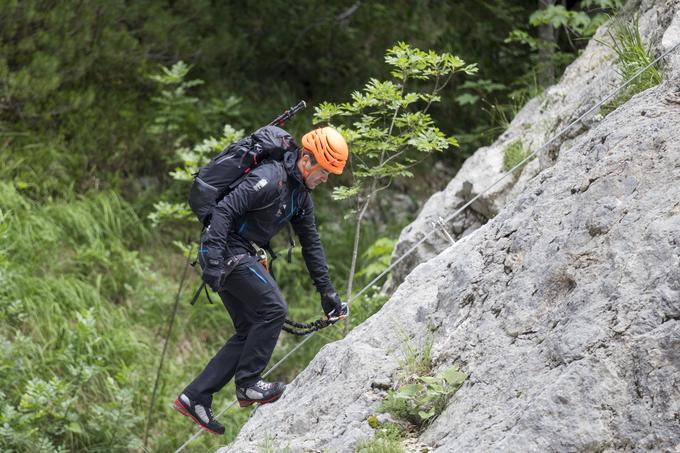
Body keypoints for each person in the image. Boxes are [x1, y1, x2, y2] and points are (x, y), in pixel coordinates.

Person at [173, 126, 349, 435]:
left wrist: (327, 292)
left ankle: (196, 395)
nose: (326, 179)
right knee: (273, 309)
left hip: (237, 252)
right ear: (306, 160)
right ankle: (249, 384)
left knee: (250, 328)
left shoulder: (300, 197)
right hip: (224, 248)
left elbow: (312, 245)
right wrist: (213, 258)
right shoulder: (270, 178)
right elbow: (224, 210)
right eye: (325, 171)